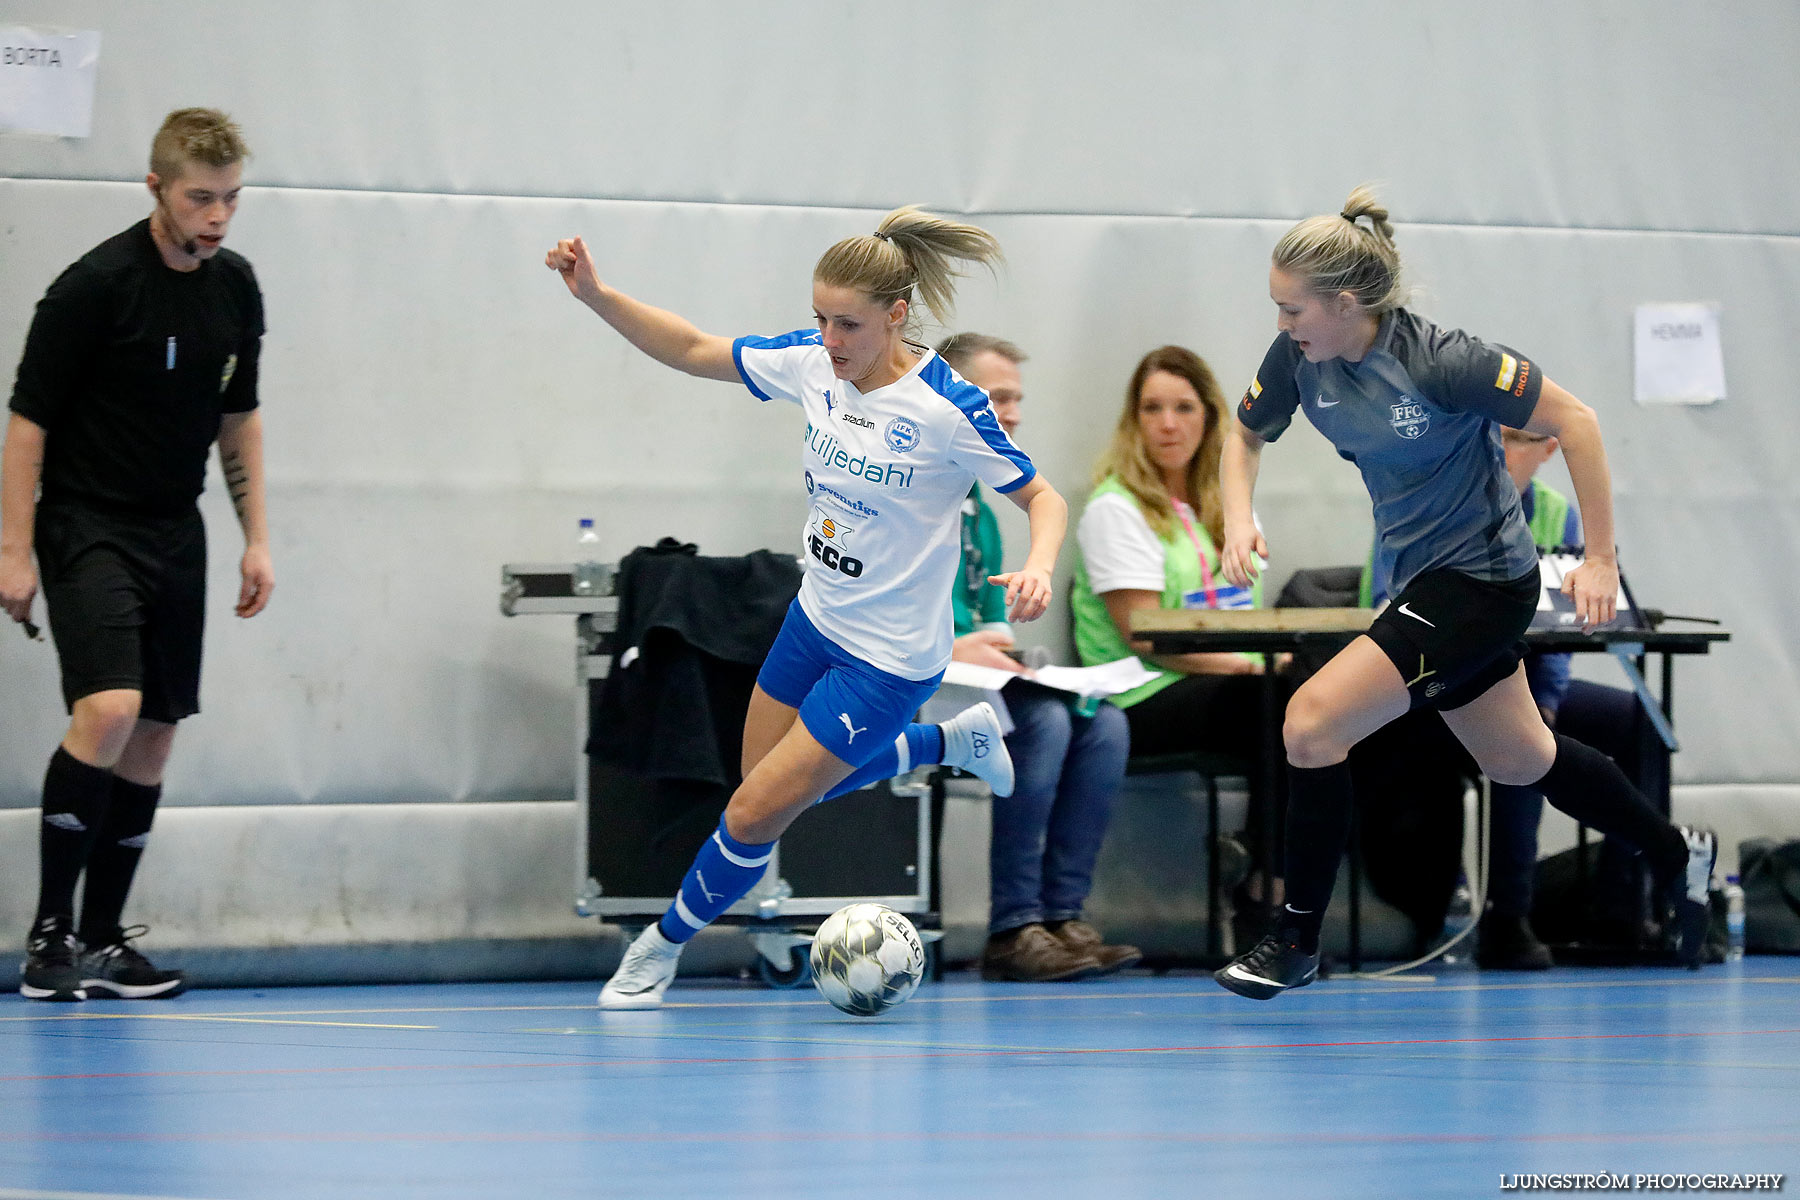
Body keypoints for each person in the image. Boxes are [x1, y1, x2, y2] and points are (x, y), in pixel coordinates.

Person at [545, 206, 1068, 1009]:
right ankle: (942, 743)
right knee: (766, 787)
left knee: (754, 814)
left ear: (896, 315)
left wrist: (1037, 565)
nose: (830, 339)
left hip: (888, 658)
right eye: (820, 318)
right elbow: (690, 348)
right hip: (813, 619)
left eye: (849, 324)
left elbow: (1043, 497)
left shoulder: (946, 408)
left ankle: (660, 948)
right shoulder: (812, 364)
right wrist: (596, 296)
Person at [1212, 186, 1717, 1001]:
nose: (1282, 326)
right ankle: (1674, 853)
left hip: (1483, 581)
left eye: (1292, 309)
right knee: (1520, 757)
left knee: (1310, 723)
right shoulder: (1302, 360)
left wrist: (1598, 558)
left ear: (1346, 303)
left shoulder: (1443, 359)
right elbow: (1242, 433)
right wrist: (1238, 520)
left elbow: (1576, 422)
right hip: (1422, 582)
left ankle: (1294, 938)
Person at [2, 108, 272, 1003]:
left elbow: (240, 420)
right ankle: (49, 936)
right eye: (201, 199)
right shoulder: (93, 288)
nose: (218, 218)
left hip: (174, 528)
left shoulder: (235, 288)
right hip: (87, 523)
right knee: (109, 708)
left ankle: (107, 938)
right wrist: (14, 551)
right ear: (156, 188)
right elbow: (27, 425)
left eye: (231, 199)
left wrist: (256, 540)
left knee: (155, 734)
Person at [1068, 345, 1289, 937]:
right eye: (1151, 409)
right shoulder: (1115, 509)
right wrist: (1249, 671)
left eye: (1183, 408)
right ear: (1133, 422)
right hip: (1140, 698)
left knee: (1329, 701)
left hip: (1221, 687)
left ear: (1211, 417)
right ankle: (1266, 887)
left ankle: (1279, 876)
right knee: (1275, 699)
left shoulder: (1230, 509)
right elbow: (1145, 637)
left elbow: (1245, 616)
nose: (1167, 424)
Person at [936, 333, 1136, 982]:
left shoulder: (980, 508)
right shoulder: (911, 492)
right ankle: (1012, 926)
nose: (1013, 413)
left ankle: (1061, 918)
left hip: (968, 683)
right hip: (910, 677)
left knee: (1105, 724)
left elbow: (987, 628)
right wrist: (952, 648)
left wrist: (1007, 653)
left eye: (1018, 399)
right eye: (999, 398)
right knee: (1042, 723)